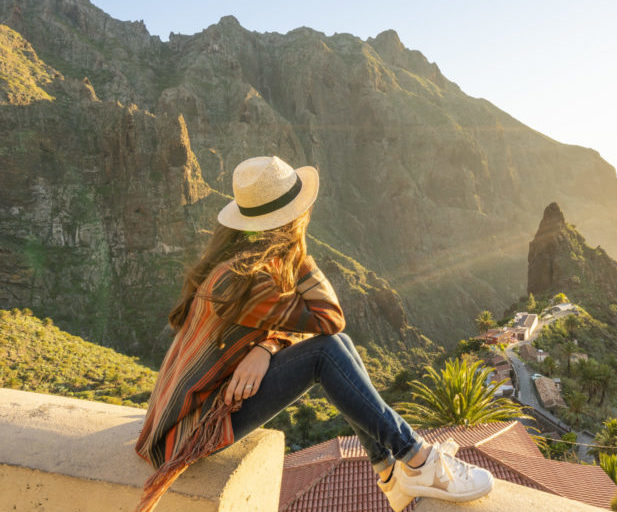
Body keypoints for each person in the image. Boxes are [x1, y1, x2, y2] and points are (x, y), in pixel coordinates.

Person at [134, 156, 493, 512]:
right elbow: (330, 317)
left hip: (186, 413)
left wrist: (267, 346)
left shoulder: (241, 257)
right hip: (189, 430)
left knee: (339, 347)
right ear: (291, 218)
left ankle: (389, 474)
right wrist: (298, 248)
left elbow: (312, 328)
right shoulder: (249, 278)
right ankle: (415, 458)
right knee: (327, 353)